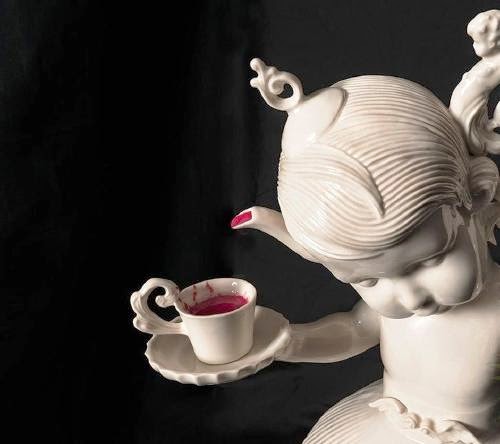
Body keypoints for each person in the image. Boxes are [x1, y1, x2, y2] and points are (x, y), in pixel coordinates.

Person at [232, 56, 500, 443]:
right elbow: (352, 331)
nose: (411, 297)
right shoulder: (396, 307)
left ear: (477, 195)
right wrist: (286, 342)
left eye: (430, 260)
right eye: (370, 280)